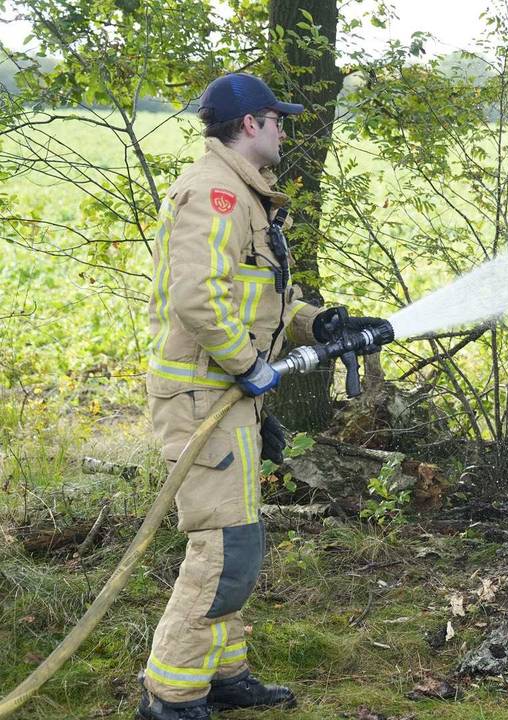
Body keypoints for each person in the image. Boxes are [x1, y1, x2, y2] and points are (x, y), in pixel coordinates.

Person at [140, 72, 386, 720]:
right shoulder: (216, 193)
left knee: (239, 540)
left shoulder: (245, 195)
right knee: (221, 547)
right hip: (203, 399)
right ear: (250, 124)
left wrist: (317, 323)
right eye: (278, 120)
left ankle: (221, 676)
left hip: (225, 398)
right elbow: (198, 297)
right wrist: (250, 366)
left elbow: (250, 296)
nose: (284, 130)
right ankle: (171, 696)